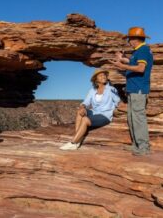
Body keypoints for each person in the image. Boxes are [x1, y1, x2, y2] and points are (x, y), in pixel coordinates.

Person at [110, 27, 153, 156]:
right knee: (132, 118)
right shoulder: (137, 51)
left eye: (130, 38)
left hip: (138, 89)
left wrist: (122, 66)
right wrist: (122, 58)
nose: (129, 41)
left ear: (135, 39)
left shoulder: (143, 50)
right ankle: (136, 146)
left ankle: (144, 148)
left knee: (138, 118)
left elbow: (140, 68)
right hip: (133, 89)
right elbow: (133, 62)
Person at [60, 70, 121, 150]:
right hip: (94, 112)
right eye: (101, 75)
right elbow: (86, 102)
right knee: (80, 112)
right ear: (96, 79)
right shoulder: (92, 91)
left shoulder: (111, 89)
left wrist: (119, 110)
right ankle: (78, 139)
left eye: (104, 75)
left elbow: (118, 102)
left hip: (105, 115)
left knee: (85, 119)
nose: (103, 77)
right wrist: (82, 107)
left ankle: (73, 143)